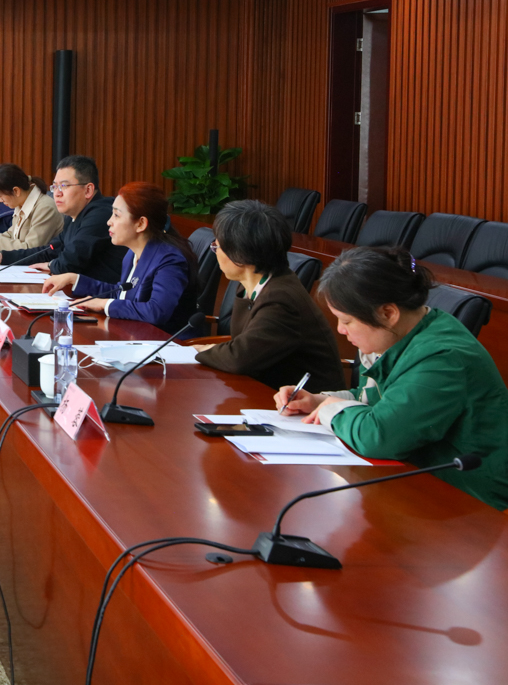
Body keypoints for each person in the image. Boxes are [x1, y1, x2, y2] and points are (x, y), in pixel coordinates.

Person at [277, 247, 508, 510]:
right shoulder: (403, 335)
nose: (340, 330)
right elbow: (379, 400)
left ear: (388, 313)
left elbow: (378, 436)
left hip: (473, 505)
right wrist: (319, 401)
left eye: (347, 321)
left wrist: (331, 410)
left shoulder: (442, 358)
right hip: (420, 485)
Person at [188, 200, 344, 390]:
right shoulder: (252, 285)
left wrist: (196, 351)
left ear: (239, 254)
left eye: (217, 246)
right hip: (267, 390)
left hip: (308, 402)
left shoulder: (281, 299)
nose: (215, 251)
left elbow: (240, 357)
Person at [42, 182, 198, 332]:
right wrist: (74, 279)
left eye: (116, 215)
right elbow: (121, 293)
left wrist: (105, 304)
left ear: (141, 224)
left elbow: (157, 311)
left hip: (167, 342)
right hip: (136, 334)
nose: (109, 222)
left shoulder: (169, 260)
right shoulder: (132, 254)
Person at [0, 154, 125, 284]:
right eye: (55, 187)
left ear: (88, 190)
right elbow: (50, 250)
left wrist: (51, 265)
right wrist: (3, 257)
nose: (57, 193)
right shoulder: (73, 217)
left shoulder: (101, 213)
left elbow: (70, 261)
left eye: (64, 186)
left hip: (103, 298)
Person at [0, 163, 61, 256]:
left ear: (16, 191)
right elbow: (12, 234)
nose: (0, 200)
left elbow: (31, 248)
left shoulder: (45, 208)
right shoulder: (20, 204)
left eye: (0, 196)